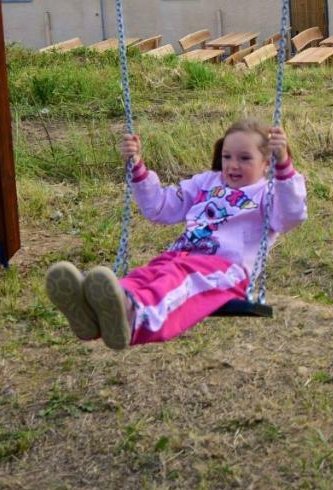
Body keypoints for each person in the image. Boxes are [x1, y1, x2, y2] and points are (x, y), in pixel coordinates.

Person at [45, 119, 308, 349]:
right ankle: (97, 309)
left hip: (225, 270)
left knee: (176, 281)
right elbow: (161, 207)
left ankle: (134, 315)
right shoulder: (207, 182)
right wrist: (137, 166)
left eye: (244, 158)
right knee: (147, 274)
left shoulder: (268, 193)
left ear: (266, 163)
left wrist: (284, 165)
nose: (232, 165)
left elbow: (290, 216)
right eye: (227, 156)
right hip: (180, 256)